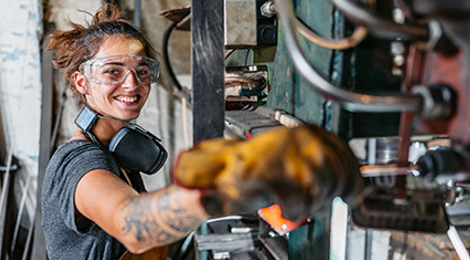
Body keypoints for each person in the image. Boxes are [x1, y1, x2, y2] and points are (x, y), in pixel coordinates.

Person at [42, 3, 363, 259]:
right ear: (82, 82)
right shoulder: (78, 164)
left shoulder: (118, 157)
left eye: (142, 71)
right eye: (113, 71)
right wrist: (233, 183)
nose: (132, 84)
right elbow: (132, 226)